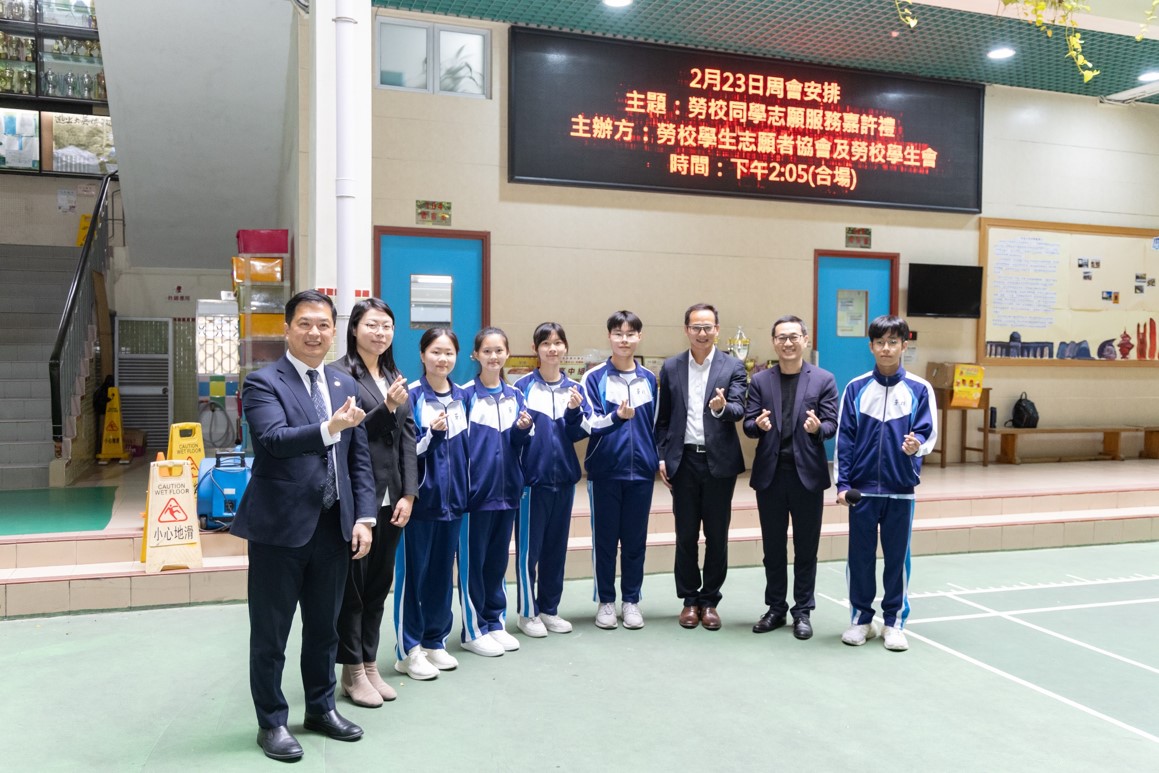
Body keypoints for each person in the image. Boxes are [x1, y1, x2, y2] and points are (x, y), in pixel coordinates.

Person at [232, 289, 376, 762]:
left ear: (334, 331)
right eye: (305, 324)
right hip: (279, 529)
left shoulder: (343, 383)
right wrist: (329, 428)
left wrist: (364, 517)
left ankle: (321, 708)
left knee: (324, 628)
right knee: (270, 633)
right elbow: (274, 440)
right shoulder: (262, 382)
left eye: (323, 325)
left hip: (334, 527)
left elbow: (358, 460)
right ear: (287, 329)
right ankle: (272, 722)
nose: (315, 333)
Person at [331, 299, 417, 708]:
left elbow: (409, 439)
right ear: (354, 329)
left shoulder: (395, 376)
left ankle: (369, 663)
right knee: (354, 588)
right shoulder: (338, 376)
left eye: (386, 326)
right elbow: (349, 435)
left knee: (379, 585)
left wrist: (409, 493)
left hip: (392, 498)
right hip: (356, 498)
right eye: (371, 325)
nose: (380, 333)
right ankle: (351, 671)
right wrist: (387, 408)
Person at [835, 314, 937, 653]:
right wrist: (842, 484)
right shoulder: (856, 388)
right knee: (860, 558)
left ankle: (894, 623)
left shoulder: (920, 389)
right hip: (861, 492)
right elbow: (844, 440)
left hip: (900, 490)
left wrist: (916, 447)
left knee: (897, 560)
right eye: (880, 342)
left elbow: (928, 435)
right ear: (871, 347)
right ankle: (861, 620)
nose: (886, 348)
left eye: (893, 342)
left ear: (904, 345)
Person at [743, 315, 838, 641]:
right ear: (774, 342)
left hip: (807, 476)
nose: (788, 343)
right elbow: (748, 425)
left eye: (794, 336)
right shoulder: (760, 381)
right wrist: (759, 426)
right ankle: (775, 608)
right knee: (773, 547)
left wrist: (817, 429)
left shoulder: (823, 379)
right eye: (781, 337)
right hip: (770, 476)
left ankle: (803, 611)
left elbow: (831, 424)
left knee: (806, 548)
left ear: (805, 340)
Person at [654, 303, 746, 630]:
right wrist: (662, 456)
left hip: (719, 462)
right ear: (686, 330)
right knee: (686, 535)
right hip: (683, 462)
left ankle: (710, 601)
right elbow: (663, 419)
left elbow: (739, 408)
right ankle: (689, 600)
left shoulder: (733, 366)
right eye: (696, 327)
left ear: (717, 329)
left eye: (708, 327)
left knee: (717, 536)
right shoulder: (671, 367)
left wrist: (721, 408)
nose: (702, 333)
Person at [392, 328, 470, 680]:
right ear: (422, 355)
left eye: (449, 352)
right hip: (420, 503)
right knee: (414, 577)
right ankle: (408, 650)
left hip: (454, 504)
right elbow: (405, 451)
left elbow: (467, 449)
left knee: (441, 576)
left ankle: (434, 641)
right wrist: (432, 437)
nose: (443, 359)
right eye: (436, 352)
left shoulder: (462, 396)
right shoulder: (410, 396)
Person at [581, 310, 659, 630]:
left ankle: (631, 601)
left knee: (635, 541)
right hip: (605, 471)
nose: (624, 340)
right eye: (618, 334)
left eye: (630, 334)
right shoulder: (594, 377)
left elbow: (655, 424)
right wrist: (616, 418)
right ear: (609, 336)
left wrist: (655, 459)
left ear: (639, 337)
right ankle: (605, 601)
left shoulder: (649, 378)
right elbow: (588, 423)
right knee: (605, 541)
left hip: (641, 472)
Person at [458, 327, 534, 656]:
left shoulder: (515, 395)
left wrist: (523, 430)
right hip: (476, 496)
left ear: (507, 354)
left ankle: (494, 622)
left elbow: (519, 444)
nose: (493, 356)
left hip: (508, 493)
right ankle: (473, 629)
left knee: (497, 561)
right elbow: (459, 447)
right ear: (475, 355)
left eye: (499, 350)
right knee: (473, 564)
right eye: (487, 351)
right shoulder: (464, 395)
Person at [513, 322, 591, 638]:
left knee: (556, 550)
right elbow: (514, 437)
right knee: (529, 552)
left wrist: (573, 411)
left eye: (558, 343)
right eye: (545, 343)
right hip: (532, 484)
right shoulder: (520, 388)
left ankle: (549, 609)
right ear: (535, 349)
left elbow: (578, 433)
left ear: (565, 348)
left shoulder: (575, 389)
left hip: (565, 481)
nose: (552, 349)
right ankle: (527, 612)